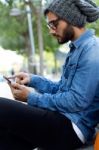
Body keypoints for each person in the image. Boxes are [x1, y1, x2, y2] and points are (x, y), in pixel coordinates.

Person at [0, 0, 99, 149]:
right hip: (61, 119)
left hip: (72, 128)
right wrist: (32, 80)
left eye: (54, 24)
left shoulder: (92, 50)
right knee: (6, 136)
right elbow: (61, 89)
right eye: (49, 25)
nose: (51, 30)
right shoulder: (76, 49)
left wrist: (30, 97)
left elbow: (76, 101)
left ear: (70, 19)